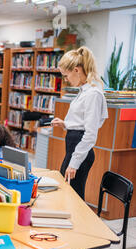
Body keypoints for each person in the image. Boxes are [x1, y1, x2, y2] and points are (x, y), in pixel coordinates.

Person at [51, 46, 108, 200]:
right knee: (66, 192)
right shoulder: (84, 91)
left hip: (80, 151)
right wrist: (65, 124)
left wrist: (74, 163)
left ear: (76, 70)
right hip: (73, 147)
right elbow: (81, 122)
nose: (65, 79)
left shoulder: (93, 94)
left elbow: (90, 134)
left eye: (66, 75)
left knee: (73, 197)